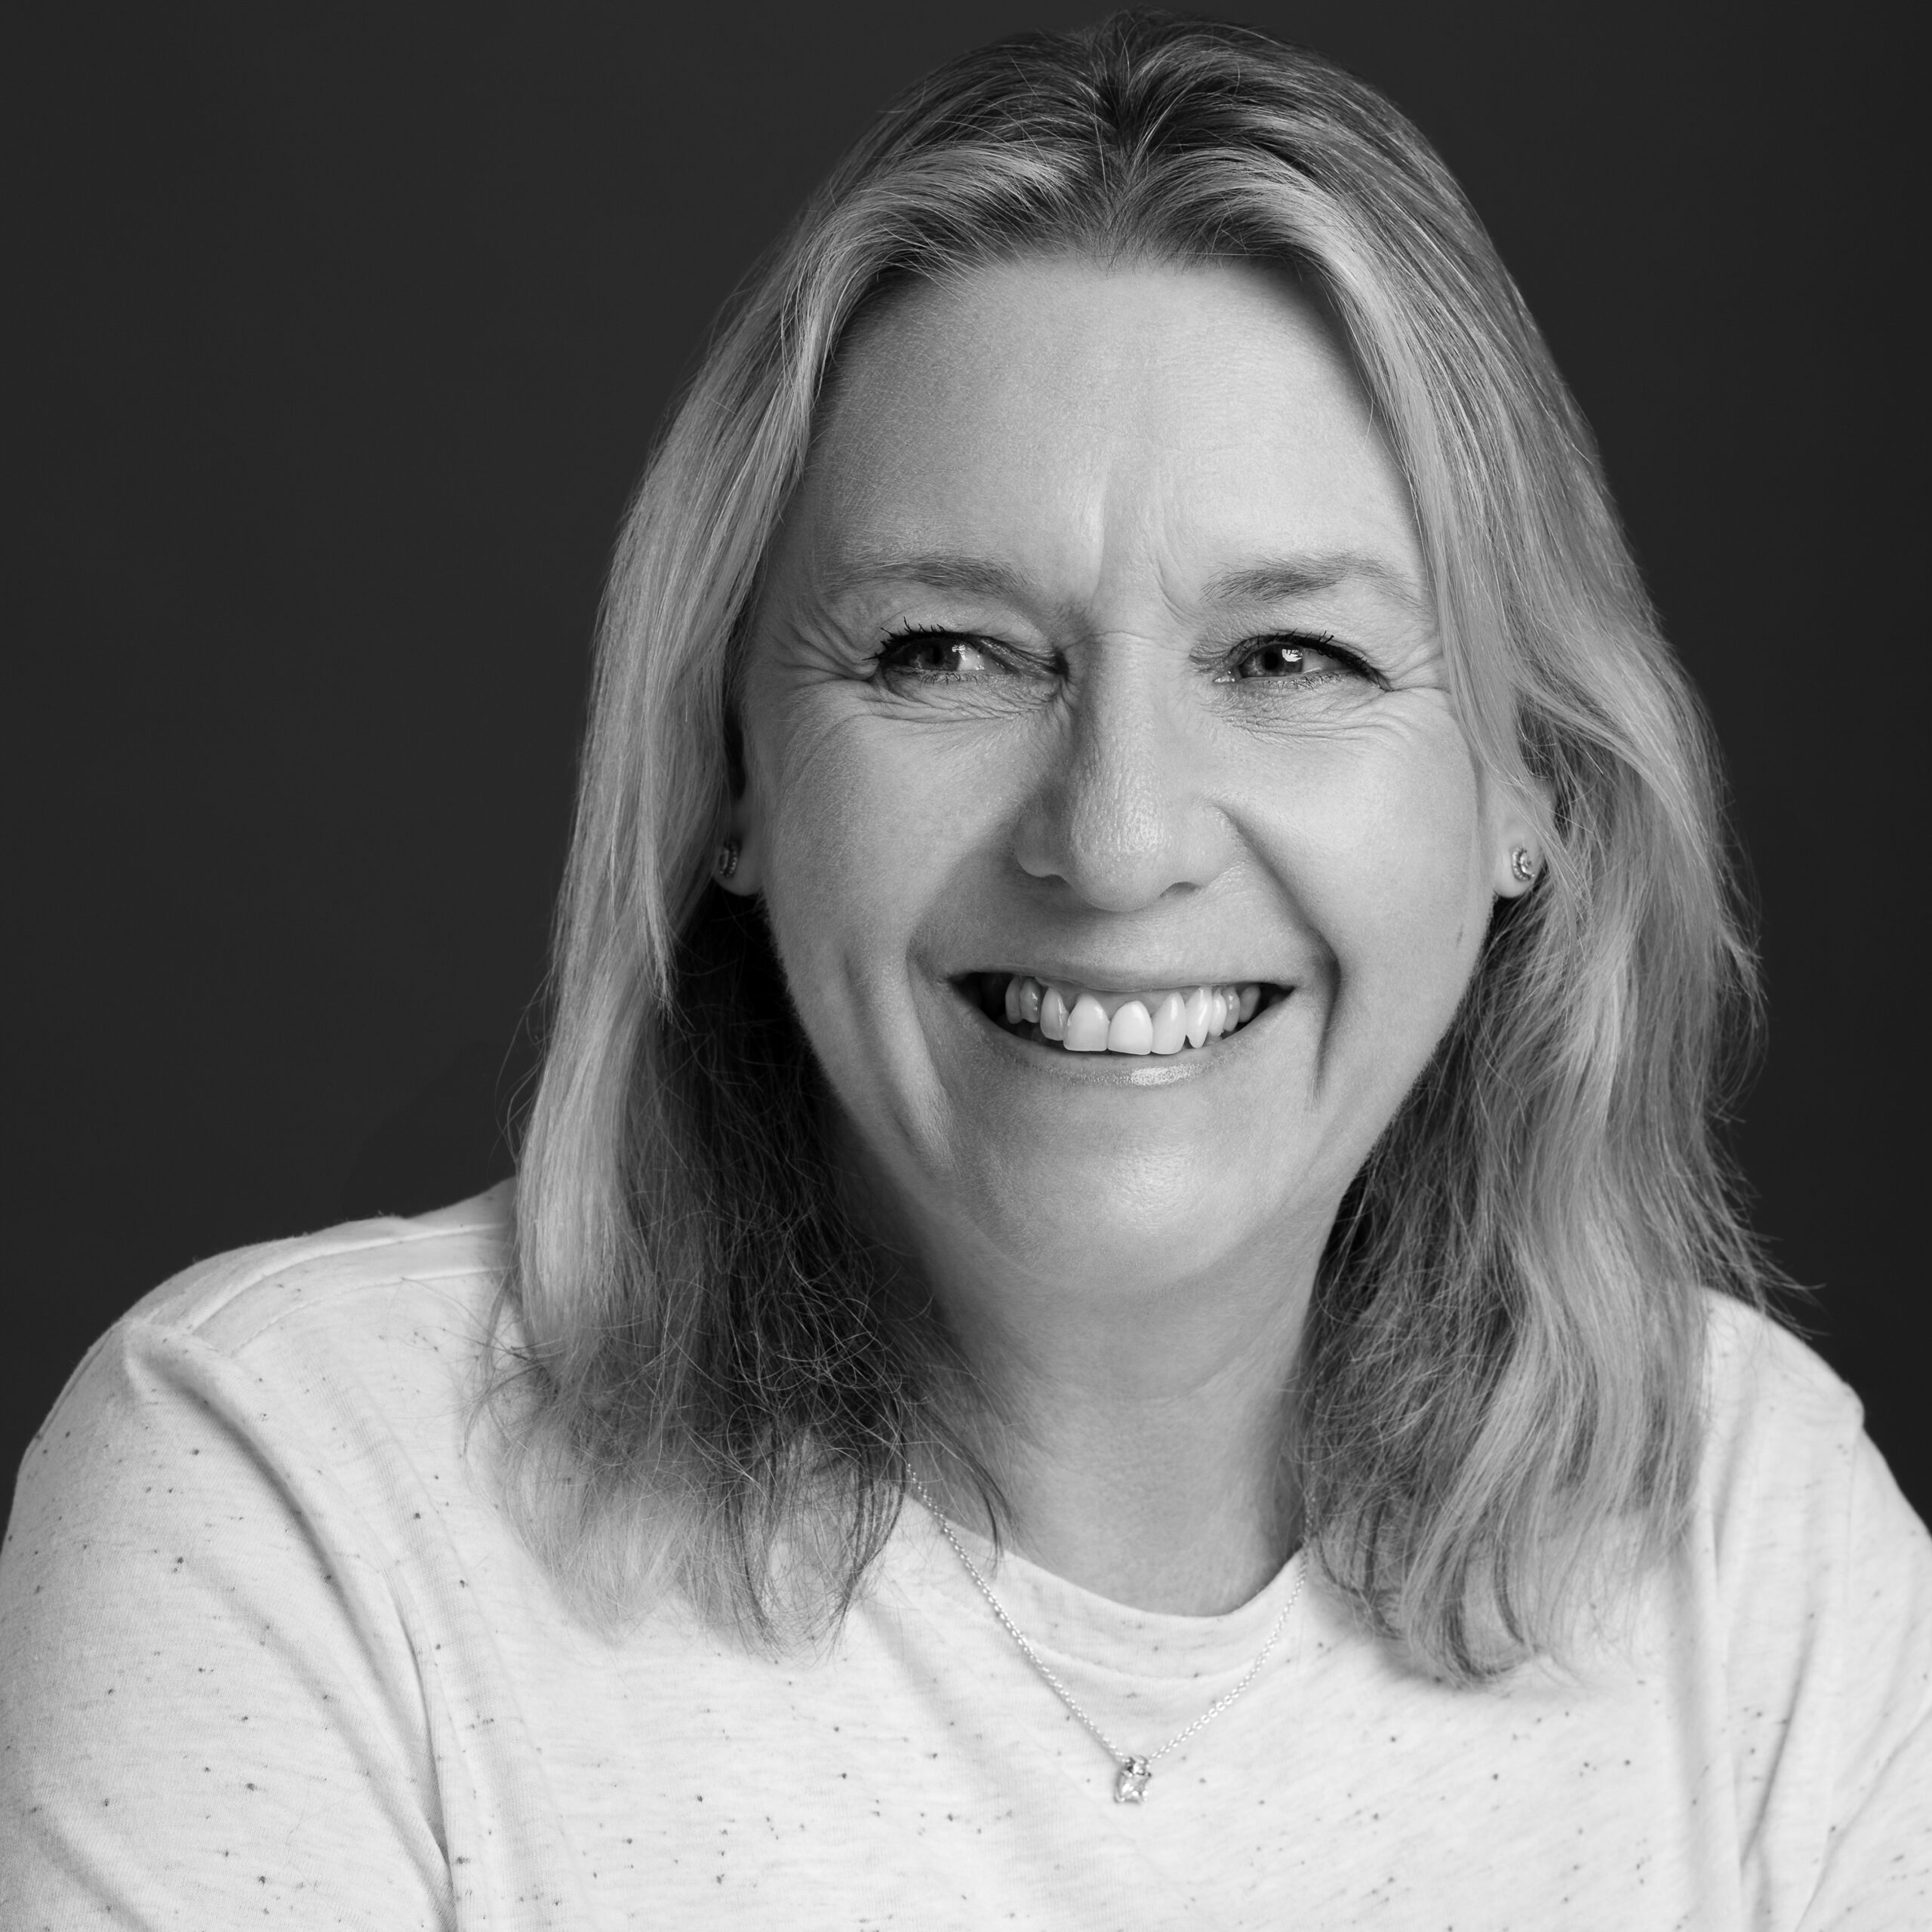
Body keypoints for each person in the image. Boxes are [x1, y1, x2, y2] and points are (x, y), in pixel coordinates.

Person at [3, 12, 1927, 1925]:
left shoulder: (1753, 1547)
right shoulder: (296, 1501)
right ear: (730, 776)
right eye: (944, 651)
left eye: (1289, 658)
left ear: (1530, 790)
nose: (1115, 836)